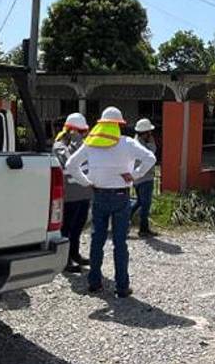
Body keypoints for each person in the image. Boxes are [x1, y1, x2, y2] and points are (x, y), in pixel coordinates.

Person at [65, 106, 156, 298]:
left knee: (97, 241)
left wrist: (86, 181)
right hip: (121, 196)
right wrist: (134, 175)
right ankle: (122, 287)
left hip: (99, 195)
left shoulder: (90, 143)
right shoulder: (127, 143)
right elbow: (151, 158)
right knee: (120, 243)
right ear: (119, 125)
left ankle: (94, 283)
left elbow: (70, 165)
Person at [52, 112, 92, 271]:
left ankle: (75, 253)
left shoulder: (84, 144)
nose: (84, 135)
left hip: (84, 193)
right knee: (66, 228)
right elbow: (69, 162)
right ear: (72, 130)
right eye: (81, 132)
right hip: (69, 196)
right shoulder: (59, 145)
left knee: (78, 227)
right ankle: (65, 260)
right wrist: (76, 141)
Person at [129, 118, 158, 237]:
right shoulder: (141, 145)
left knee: (140, 201)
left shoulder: (135, 142)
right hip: (144, 178)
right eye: (149, 133)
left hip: (139, 178)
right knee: (145, 204)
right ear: (144, 133)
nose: (151, 135)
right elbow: (151, 154)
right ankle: (143, 229)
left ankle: (126, 217)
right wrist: (152, 143)